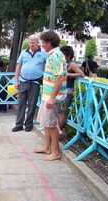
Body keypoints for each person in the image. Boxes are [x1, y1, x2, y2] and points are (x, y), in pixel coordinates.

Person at [34, 30, 67, 161]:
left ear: (49, 43)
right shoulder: (52, 55)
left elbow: (59, 78)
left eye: (43, 42)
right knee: (47, 123)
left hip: (53, 97)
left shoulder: (56, 55)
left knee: (52, 124)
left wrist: (52, 98)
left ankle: (55, 152)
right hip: (48, 95)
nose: (42, 45)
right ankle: (47, 147)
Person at [11, 34, 47, 132]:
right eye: (30, 42)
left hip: (35, 82)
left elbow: (48, 66)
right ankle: (18, 124)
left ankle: (28, 124)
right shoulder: (24, 52)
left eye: (33, 43)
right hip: (23, 81)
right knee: (21, 103)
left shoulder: (43, 53)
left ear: (37, 43)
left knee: (32, 104)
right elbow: (18, 67)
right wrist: (16, 81)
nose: (31, 44)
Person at [58, 46, 84, 133]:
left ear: (68, 56)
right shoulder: (63, 63)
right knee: (58, 110)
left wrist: (68, 74)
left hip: (68, 89)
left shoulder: (71, 64)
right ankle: (57, 128)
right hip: (60, 89)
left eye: (63, 55)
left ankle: (59, 130)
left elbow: (81, 74)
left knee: (62, 110)